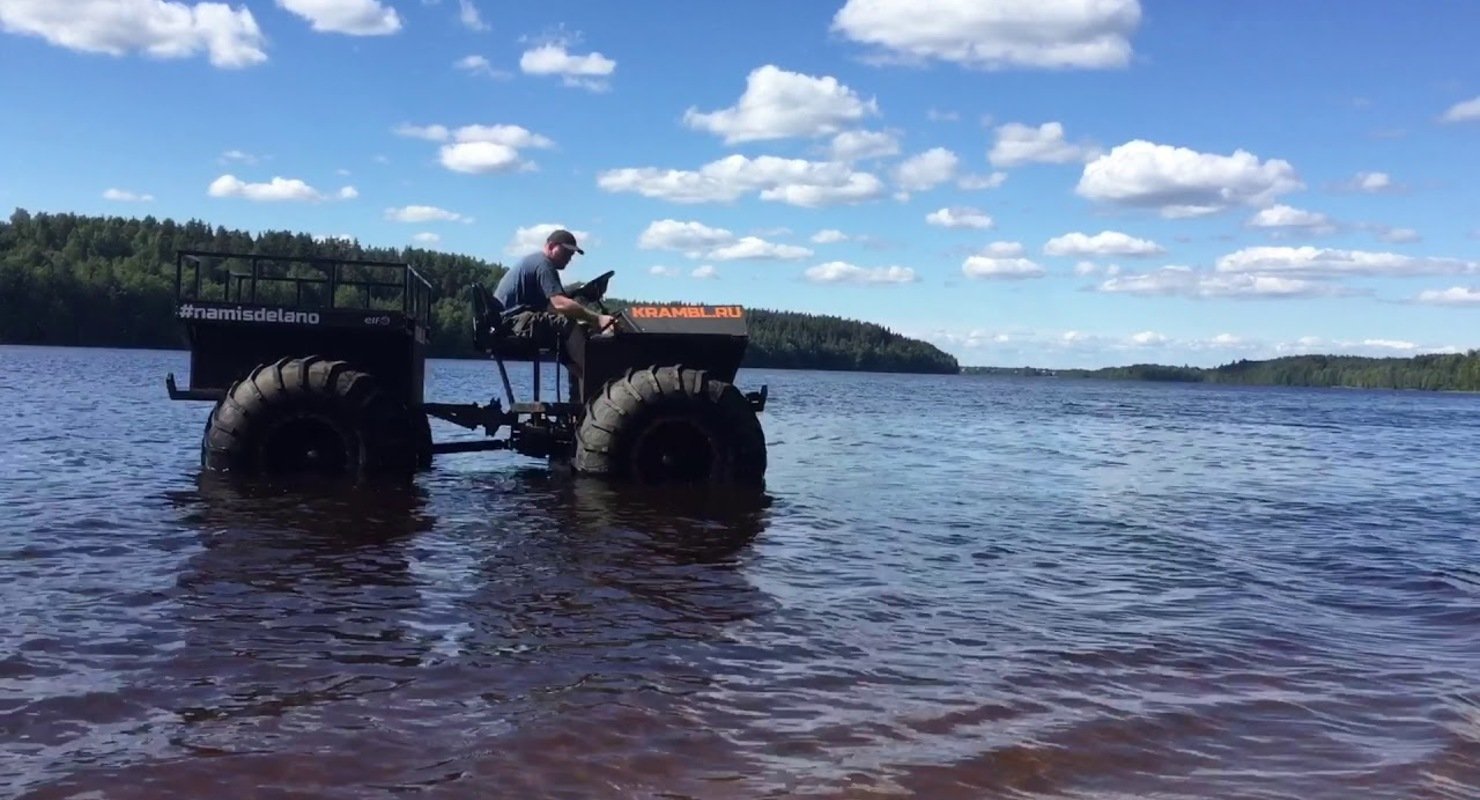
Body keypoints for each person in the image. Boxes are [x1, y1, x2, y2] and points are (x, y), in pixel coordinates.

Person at [493, 229, 614, 345]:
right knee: (570, 324)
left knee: (573, 323)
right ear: (551, 247)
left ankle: (584, 364)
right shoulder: (544, 265)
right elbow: (560, 304)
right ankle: (589, 365)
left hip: (508, 321)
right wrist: (597, 319)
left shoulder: (537, 261)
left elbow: (553, 305)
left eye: (571, 254)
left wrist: (580, 299)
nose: (569, 258)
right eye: (566, 252)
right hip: (512, 322)